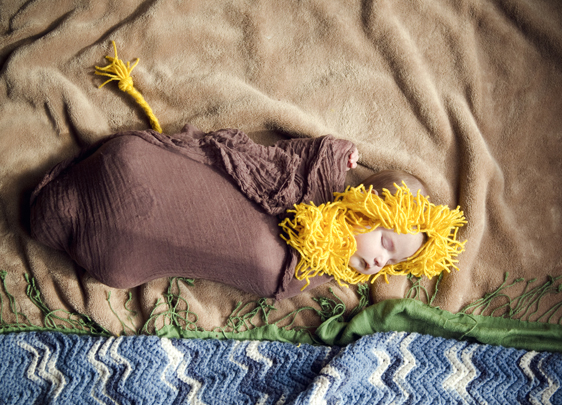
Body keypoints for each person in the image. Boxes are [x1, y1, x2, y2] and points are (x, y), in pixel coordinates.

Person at [29, 125, 466, 300]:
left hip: (123, 262)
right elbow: (280, 161)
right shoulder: (318, 187)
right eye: (385, 243)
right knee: (131, 177)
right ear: (367, 206)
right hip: (141, 177)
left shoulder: (323, 271)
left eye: (391, 263)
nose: (379, 263)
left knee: (121, 258)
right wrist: (336, 153)